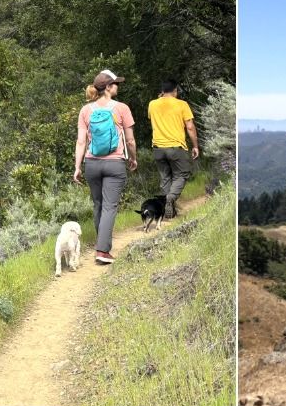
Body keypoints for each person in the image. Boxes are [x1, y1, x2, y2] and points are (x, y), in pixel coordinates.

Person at [73, 69, 136, 265]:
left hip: (92, 164)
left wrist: (77, 167)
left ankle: (103, 245)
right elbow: (130, 140)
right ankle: (102, 250)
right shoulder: (122, 108)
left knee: (99, 205)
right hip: (115, 164)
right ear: (108, 87)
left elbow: (81, 142)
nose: (117, 86)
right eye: (116, 83)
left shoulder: (86, 110)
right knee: (109, 206)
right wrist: (133, 158)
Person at [148, 81, 198, 218]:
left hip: (158, 148)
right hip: (176, 147)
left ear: (162, 91)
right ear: (175, 90)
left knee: (165, 178)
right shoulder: (182, 105)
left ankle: (168, 210)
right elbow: (190, 127)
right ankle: (170, 198)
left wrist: (160, 99)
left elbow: (152, 117)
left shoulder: (152, 104)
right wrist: (195, 146)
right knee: (182, 175)